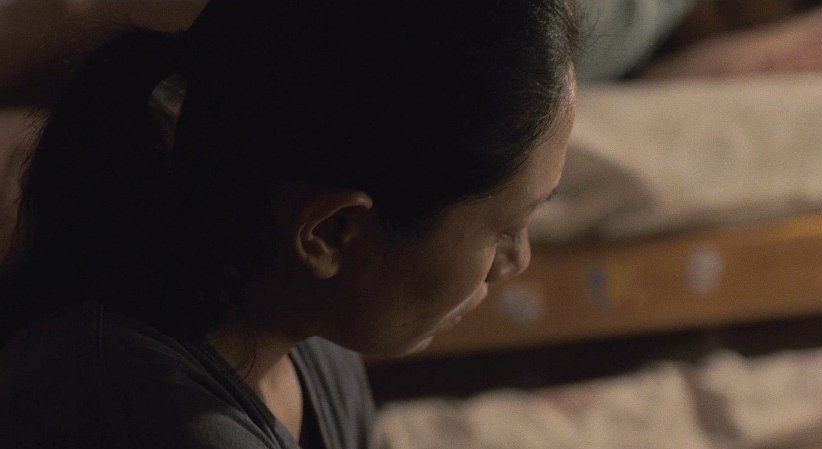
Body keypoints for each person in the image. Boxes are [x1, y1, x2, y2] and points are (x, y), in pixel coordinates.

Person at [0, 1, 580, 448]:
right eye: (507, 228)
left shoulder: (313, 351)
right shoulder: (143, 420)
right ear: (331, 233)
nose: (517, 261)